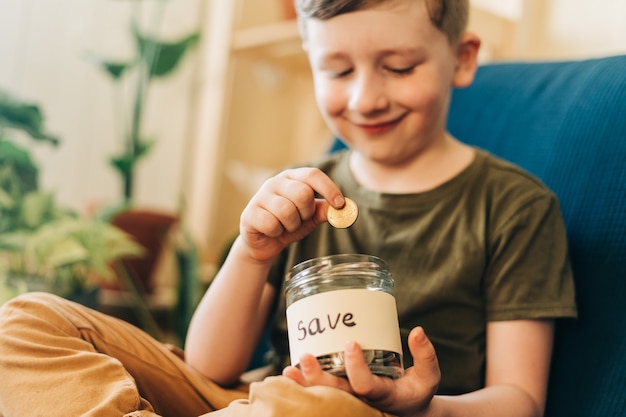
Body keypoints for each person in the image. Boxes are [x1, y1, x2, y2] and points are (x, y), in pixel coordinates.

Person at [0, 1, 576, 416]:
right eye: (337, 70)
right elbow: (210, 367)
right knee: (23, 323)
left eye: (399, 66)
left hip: (361, 414)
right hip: (245, 398)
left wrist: (419, 407)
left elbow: (519, 402)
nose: (364, 97)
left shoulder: (514, 206)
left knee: (317, 406)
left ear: (463, 58)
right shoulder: (302, 194)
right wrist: (252, 254)